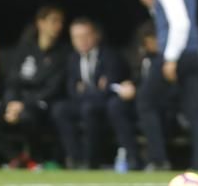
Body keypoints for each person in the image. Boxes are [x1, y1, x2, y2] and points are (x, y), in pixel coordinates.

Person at [137, 0, 198, 171]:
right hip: (192, 52)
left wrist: (170, 58)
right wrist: (152, 6)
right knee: (195, 112)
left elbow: (180, 23)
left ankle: (158, 159)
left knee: (145, 102)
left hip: (177, 53)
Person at [52, 18, 140, 171]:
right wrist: (94, 91)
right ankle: (75, 158)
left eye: (85, 35)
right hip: (85, 102)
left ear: (96, 35)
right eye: (76, 37)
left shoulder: (110, 56)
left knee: (90, 109)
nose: (81, 41)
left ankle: (91, 161)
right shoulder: (72, 59)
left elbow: (110, 89)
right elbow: (72, 90)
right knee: (60, 109)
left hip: (105, 104)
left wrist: (87, 91)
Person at [1, 5, 70, 166]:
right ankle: (13, 156)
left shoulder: (63, 54)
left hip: (41, 104)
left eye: (61, 22)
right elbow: (13, 81)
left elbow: (54, 87)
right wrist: (11, 102)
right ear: (40, 23)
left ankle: (35, 159)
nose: (58, 26)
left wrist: (23, 105)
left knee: (28, 117)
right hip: (16, 104)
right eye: (54, 21)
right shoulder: (24, 49)